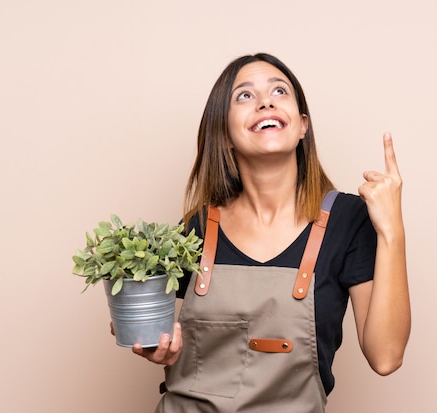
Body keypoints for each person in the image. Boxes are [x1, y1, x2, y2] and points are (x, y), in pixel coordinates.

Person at [129, 53, 410, 412]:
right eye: (244, 96)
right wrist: (148, 340)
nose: (265, 101)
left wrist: (392, 231)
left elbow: (385, 357)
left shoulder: (348, 219)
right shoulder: (197, 227)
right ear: (225, 134)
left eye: (280, 91)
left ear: (302, 124)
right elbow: (152, 329)